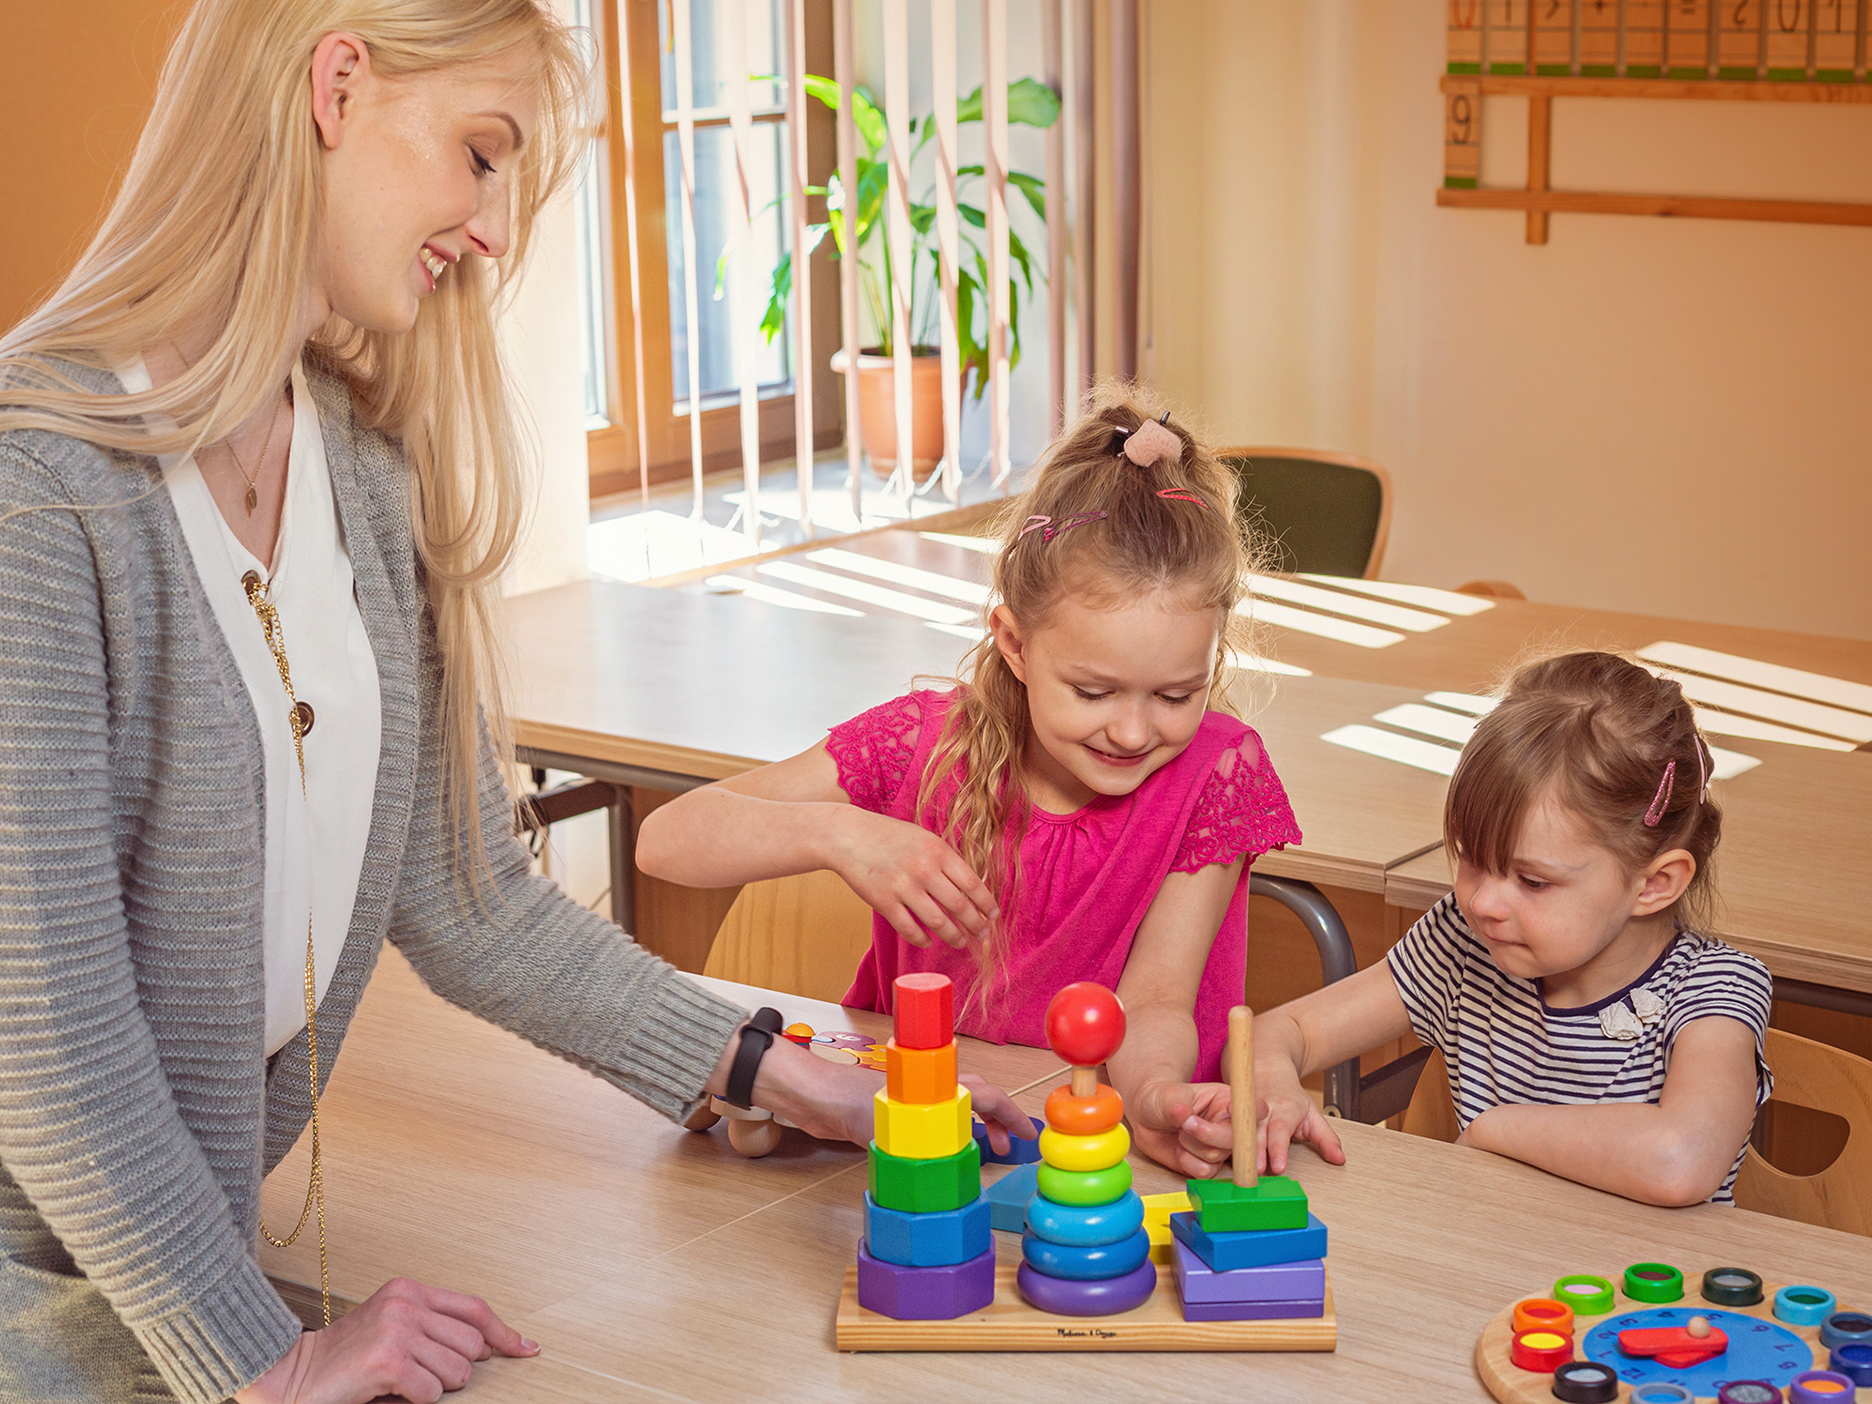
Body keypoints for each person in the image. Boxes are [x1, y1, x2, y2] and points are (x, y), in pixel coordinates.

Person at [0, 5, 1028, 1402]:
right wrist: (271, 1362)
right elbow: (46, 1041)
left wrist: (778, 1073)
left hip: (164, 1272)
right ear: (338, 84)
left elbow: (472, 896)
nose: (489, 230)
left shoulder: (354, 470)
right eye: (479, 155)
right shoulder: (37, 490)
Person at [637, 387, 1305, 1182]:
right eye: (1093, 693)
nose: (1133, 731)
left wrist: (1159, 1094)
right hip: (907, 1139)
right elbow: (664, 840)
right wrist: (838, 833)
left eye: (1175, 695)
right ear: (1015, 644)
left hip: (1101, 1147)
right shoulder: (922, 742)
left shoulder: (1215, 771)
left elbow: (1157, 999)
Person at [1253, 651, 1772, 1206]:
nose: (1482, 900)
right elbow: (1282, 1034)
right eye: (1472, 859)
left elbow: (1681, 1159)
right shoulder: (1464, 943)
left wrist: (1495, 1130)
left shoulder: (1714, 988)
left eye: (1532, 881)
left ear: (1654, 884)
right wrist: (1274, 1084)